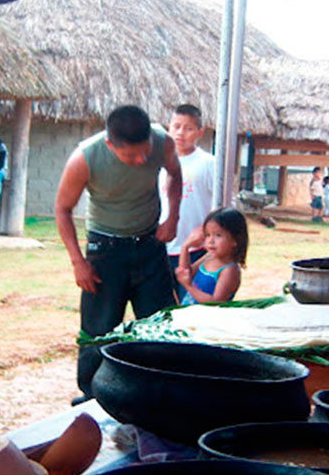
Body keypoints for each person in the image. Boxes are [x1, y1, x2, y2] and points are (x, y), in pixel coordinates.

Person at [55, 105, 182, 403]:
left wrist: (173, 217)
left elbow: (176, 175)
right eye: (129, 156)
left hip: (150, 245)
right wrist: (78, 262)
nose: (140, 161)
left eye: (143, 152)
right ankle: (92, 395)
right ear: (111, 144)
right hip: (105, 250)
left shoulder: (163, 142)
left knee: (160, 324)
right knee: (99, 329)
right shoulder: (85, 158)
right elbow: (62, 209)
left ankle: (161, 391)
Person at [159, 104, 214, 301]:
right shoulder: (158, 162)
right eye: (176, 126)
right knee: (163, 307)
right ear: (168, 127)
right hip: (162, 249)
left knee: (192, 305)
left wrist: (207, 232)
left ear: (200, 132)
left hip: (196, 250)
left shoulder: (209, 164)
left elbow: (225, 205)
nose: (181, 133)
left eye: (188, 128)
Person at [175, 207, 246, 305]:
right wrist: (185, 247)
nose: (210, 241)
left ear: (235, 240)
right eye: (208, 235)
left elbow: (216, 302)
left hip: (207, 319)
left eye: (218, 235)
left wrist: (188, 286)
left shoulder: (229, 270)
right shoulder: (209, 257)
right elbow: (186, 273)